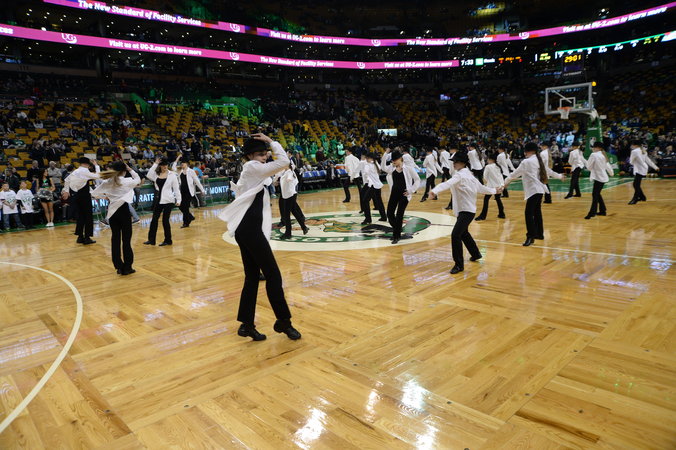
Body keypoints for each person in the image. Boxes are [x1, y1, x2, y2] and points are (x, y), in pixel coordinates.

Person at [219, 133, 301, 341]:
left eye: (265, 154)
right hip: (250, 230)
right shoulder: (252, 168)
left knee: (253, 277)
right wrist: (272, 142)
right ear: (249, 156)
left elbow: (278, 170)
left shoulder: (254, 172)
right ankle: (283, 321)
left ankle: (246, 325)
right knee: (273, 275)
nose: (264, 157)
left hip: (246, 229)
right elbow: (284, 162)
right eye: (260, 154)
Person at [429, 152, 501, 274]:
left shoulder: (460, 175)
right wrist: (495, 190)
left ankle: (459, 265)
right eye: (453, 161)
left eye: (456, 162)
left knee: (455, 235)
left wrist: (434, 191)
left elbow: (447, 183)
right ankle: (476, 254)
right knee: (463, 233)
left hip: (466, 211)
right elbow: (482, 188)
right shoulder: (470, 175)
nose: (454, 164)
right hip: (467, 210)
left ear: (463, 163)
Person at [504, 142, 564, 247]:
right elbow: (548, 171)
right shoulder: (538, 160)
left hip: (534, 191)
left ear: (527, 151)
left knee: (528, 214)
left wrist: (505, 183)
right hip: (540, 190)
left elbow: (514, 174)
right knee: (537, 213)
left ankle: (530, 236)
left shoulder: (526, 162)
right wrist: (559, 176)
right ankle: (539, 234)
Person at [91, 161, 141, 275]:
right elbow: (138, 179)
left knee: (115, 240)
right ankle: (128, 267)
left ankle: (119, 266)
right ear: (124, 170)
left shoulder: (107, 181)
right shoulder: (126, 181)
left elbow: (94, 194)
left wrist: (106, 197)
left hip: (112, 214)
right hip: (124, 212)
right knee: (126, 241)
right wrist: (130, 169)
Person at [381, 149, 420, 243]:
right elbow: (382, 167)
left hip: (404, 194)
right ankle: (397, 228)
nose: (393, 161)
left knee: (399, 215)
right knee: (389, 213)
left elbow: (417, 179)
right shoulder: (391, 168)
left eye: (395, 160)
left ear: (400, 158)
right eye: (392, 160)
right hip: (394, 193)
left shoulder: (408, 168)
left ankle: (396, 236)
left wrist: (411, 190)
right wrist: (385, 154)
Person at [62, 157, 100, 244]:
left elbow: (66, 180)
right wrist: (97, 166)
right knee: (88, 216)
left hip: (76, 195)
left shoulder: (76, 171)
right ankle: (87, 238)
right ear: (87, 164)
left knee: (80, 216)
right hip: (84, 196)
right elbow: (98, 176)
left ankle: (80, 237)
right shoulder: (85, 171)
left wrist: (66, 191)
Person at [144, 157, 181, 246]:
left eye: (166, 165)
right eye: (163, 165)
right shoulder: (156, 174)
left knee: (165, 221)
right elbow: (148, 175)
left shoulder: (172, 175)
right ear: (160, 166)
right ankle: (151, 240)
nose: (165, 166)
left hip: (168, 200)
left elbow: (176, 189)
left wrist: (179, 199)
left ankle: (168, 240)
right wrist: (155, 163)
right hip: (159, 200)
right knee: (154, 220)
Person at [277, 151, 309, 239]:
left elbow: (289, 177)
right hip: (289, 195)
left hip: (290, 196)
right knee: (294, 211)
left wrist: (289, 179)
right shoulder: (285, 172)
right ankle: (304, 227)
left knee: (287, 214)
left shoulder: (289, 172)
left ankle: (288, 233)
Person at [172, 154, 205, 228]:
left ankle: (186, 223)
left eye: (183, 163)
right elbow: (173, 167)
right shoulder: (179, 171)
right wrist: (177, 158)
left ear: (186, 164)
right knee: (180, 206)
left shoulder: (191, 171)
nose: (182, 164)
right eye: (181, 163)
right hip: (182, 191)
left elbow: (197, 181)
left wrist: (202, 190)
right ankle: (190, 217)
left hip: (189, 192)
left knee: (186, 207)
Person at [585, 142, 614, 220]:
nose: (593, 148)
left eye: (594, 147)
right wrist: (611, 173)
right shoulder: (603, 155)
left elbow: (588, 167)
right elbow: (607, 165)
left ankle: (592, 213)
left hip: (598, 177)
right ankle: (602, 210)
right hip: (603, 177)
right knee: (597, 194)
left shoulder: (593, 155)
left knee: (595, 195)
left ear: (598, 148)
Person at [475, 154, 505, 221]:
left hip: (491, 187)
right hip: (499, 186)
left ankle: (483, 216)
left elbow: (485, 177)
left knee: (486, 200)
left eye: (488, 159)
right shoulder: (498, 166)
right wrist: (502, 185)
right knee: (498, 199)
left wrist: (488, 182)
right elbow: (500, 176)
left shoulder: (488, 166)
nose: (487, 160)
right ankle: (502, 214)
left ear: (491, 159)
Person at [628, 140, 659, 204]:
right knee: (636, 184)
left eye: (632, 145)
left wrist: (634, 161)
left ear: (635, 145)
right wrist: (655, 167)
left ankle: (635, 199)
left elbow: (631, 162)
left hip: (639, 169)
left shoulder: (634, 151)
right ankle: (642, 197)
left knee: (636, 185)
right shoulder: (644, 150)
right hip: (643, 168)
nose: (631, 146)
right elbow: (648, 160)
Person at [360, 152, 387, 225]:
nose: (366, 159)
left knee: (365, 200)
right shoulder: (375, 163)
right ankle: (383, 216)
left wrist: (364, 163)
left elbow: (365, 172)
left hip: (373, 184)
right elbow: (380, 169)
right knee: (379, 200)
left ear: (370, 158)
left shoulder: (368, 165)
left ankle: (368, 219)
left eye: (367, 158)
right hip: (377, 184)